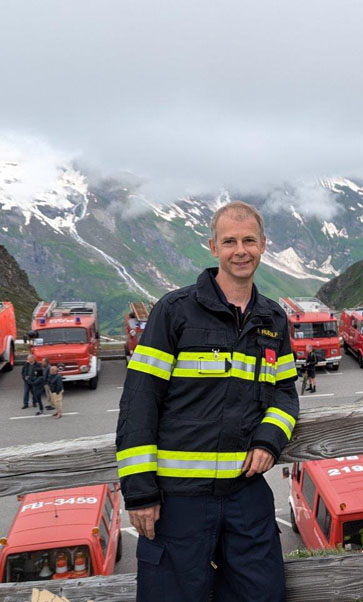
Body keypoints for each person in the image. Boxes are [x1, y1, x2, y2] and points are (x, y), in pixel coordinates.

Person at [115, 201, 299, 601]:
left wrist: (269, 440)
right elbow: (139, 401)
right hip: (176, 501)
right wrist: (141, 493)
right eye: (229, 241)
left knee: (263, 595)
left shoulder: (273, 320)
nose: (240, 250)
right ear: (212, 246)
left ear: (263, 245)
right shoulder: (174, 312)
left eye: (249, 240)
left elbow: (285, 392)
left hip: (245, 494)